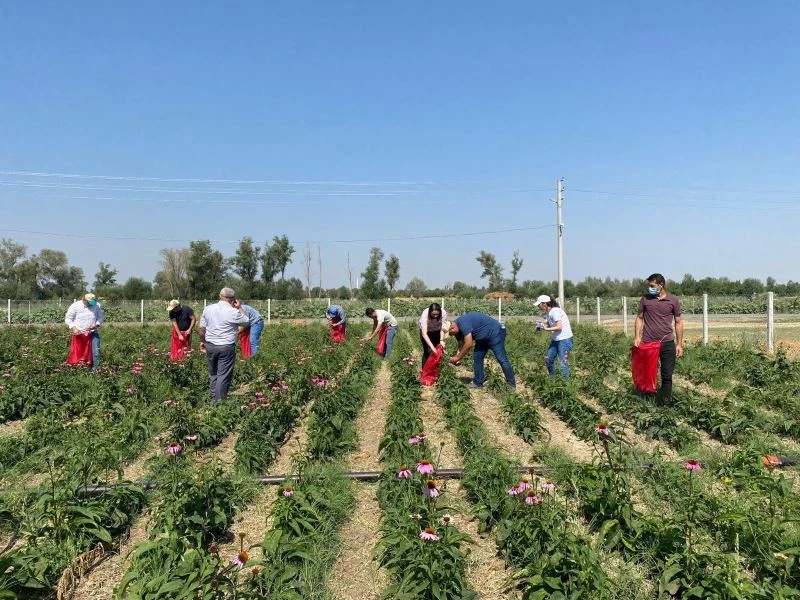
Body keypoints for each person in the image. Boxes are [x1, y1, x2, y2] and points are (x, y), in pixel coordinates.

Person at [633, 273, 684, 403]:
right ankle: (648, 400)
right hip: (649, 343)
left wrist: (679, 344)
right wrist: (637, 337)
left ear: (661, 285)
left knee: (667, 375)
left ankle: (665, 402)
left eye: (652, 285)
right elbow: (639, 318)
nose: (649, 288)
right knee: (648, 373)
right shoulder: (645, 299)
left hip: (667, 343)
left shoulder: (673, 300)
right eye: (649, 285)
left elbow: (678, 322)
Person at [199, 288, 251, 405]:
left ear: (219, 296)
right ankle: (219, 404)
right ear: (233, 299)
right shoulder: (233, 311)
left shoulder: (208, 309)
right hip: (226, 347)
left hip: (211, 345)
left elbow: (202, 329)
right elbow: (246, 321)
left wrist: (202, 341)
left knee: (213, 374)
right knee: (223, 376)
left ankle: (213, 400)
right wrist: (239, 308)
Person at [444, 312, 515, 389]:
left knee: (501, 358)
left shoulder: (463, 323)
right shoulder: (457, 331)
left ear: (452, 328)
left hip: (495, 333)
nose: (451, 335)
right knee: (477, 357)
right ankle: (478, 383)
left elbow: (468, 344)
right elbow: (461, 344)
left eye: (450, 334)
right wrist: (457, 358)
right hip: (482, 338)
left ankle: (511, 385)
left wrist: (457, 357)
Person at [534, 295, 574, 380]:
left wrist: (545, 329)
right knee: (548, 359)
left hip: (564, 340)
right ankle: (553, 381)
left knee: (563, 364)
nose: (538, 307)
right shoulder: (550, 312)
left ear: (544, 304)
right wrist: (542, 323)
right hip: (556, 340)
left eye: (539, 305)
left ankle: (566, 387)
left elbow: (559, 327)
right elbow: (550, 322)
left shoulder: (555, 311)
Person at [65, 293, 104, 369]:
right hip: (79, 334)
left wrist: (96, 324)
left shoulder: (96, 305)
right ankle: (78, 369)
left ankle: (95, 370)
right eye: (89, 302)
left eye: (92, 303)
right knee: (79, 353)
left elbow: (101, 317)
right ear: (84, 299)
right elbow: (68, 318)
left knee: (95, 352)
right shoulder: (75, 306)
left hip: (92, 333)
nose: (91, 304)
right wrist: (74, 328)